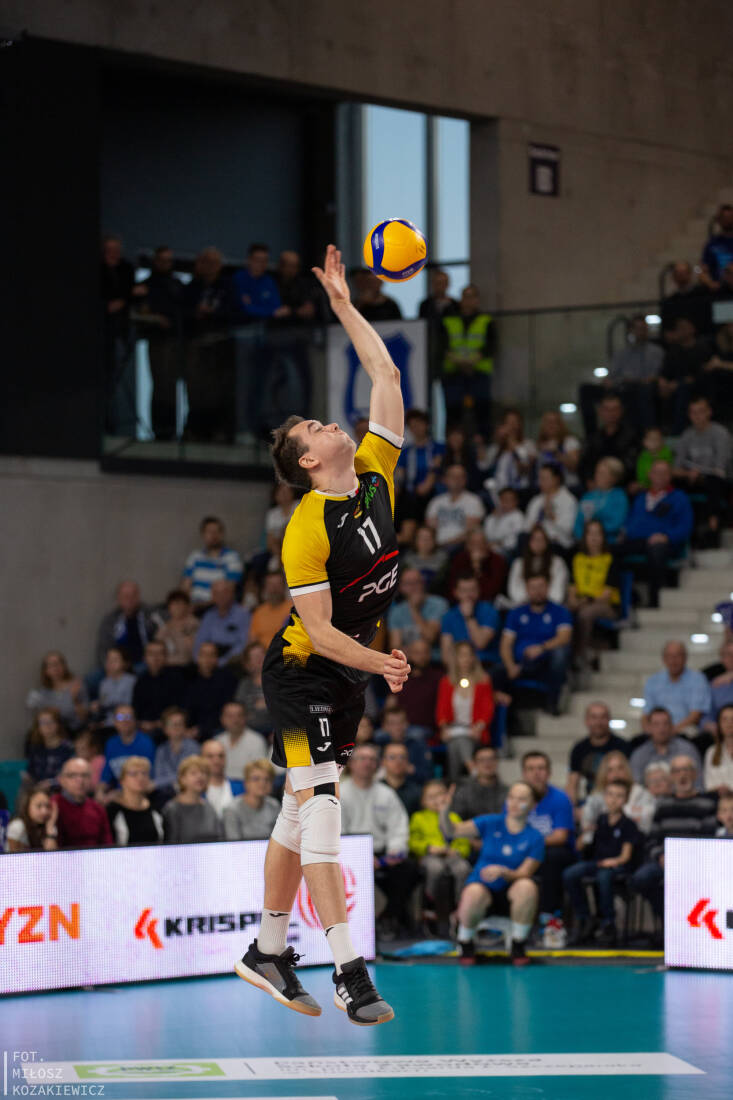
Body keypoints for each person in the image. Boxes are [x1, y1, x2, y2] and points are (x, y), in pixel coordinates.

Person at [235, 247, 408, 1025]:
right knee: (323, 806)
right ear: (308, 459)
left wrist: (342, 303)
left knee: (294, 809)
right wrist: (384, 664)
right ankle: (348, 971)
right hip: (304, 672)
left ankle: (267, 950)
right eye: (313, 425)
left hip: (346, 673)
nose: (328, 420)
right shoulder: (305, 528)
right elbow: (321, 633)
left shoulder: (373, 468)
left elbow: (386, 374)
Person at [440, 780, 544, 966]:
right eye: (511, 797)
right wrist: (444, 812)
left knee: (527, 887)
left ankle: (518, 944)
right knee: (473, 892)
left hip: (511, 896)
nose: (514, 803)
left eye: (522, 799)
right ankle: (466, 942)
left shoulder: (535, 837)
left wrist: (504, 872)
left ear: (533, 805)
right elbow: (452, 830)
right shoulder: (490, 822)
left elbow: (525, 872)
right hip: (482, 892)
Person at [340, 743, 419, 938]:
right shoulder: (340, 792)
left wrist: (394, 852)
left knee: (409, 869)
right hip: (351, 854)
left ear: (377, 765)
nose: (367, 763)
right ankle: (358, 925)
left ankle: (387, 917)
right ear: (352, 764)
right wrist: (361, 857)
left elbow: (399, 827)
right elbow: (338, 833)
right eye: (362, 759)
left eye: (372, 759)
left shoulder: (386, 793)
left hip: (383, 853)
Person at [630, 755, 717, 922]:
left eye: (686, 770)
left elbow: (710, 840)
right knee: (641, 878)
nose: (682, 775)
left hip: (695, 863)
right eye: (677, 771)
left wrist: (687, 859)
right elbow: (652, 839)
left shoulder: (707, 804)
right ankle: (669, 918)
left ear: (695, 774)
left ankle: (682, 920)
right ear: (671, 776)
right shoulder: (663, 805)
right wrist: (660, 856)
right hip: (665, 860)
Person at [563, 778, 640, 946]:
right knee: (570, 874)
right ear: (604, 797)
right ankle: (584, 918)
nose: (614, 799)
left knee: (604, 876)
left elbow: (625, 856)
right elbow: (580, 847)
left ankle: (608, 922)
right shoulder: (599, 820)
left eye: (619, 796)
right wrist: (585, 835)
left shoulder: (628, 824)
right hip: (597, 862)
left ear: (626, 799)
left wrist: (612, 862)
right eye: (610, 794)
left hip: (617, 866)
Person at [495, 574, 573, 715]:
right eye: (533, 587)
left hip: (546, 662)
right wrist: (510, 666)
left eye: (541, 586)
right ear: (527, 589)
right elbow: (505, 644)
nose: (537, 591)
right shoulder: (516, 613)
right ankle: (503, 717)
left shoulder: (560, 611)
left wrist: (541, 648)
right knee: (492, 674)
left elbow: (564, 637)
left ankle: (553, 702)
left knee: (560, 655)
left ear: (548, 588)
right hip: (520, 663)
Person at [619, 460, 694, 607]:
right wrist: (626, 533)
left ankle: (655, 600)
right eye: (656, 472)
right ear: (650, 475)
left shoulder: (679, 498)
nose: (659, 476)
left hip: (665, 543)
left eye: (664, 473)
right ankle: (626, 598)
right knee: (611, 550)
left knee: (656, 550)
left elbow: (685, 527)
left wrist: (666, 536)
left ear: (670, 476)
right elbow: (629, 523)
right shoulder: (641, 498)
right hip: (639, 540)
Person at [182, 246, 237, 443]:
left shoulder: (227, 286)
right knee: (197, 389)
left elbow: (234, 311)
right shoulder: (192, 287)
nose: (210, 267)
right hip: (196, 344)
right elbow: (182, 312)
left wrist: (214, 313)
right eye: (206, 262)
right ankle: (196, 430)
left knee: (220, 389)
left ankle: (219, 431)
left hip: (220, 345)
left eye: (214, 263)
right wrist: (196, 312)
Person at [409, 779, 471, 935]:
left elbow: (464, 841)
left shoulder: (454, 817)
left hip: (452, 856)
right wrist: (428, 848)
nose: (437, 800)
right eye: (431, 797)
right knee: (435, 868)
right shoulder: (418, 818)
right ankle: (429, 907)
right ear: (423, 801)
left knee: (463, 868)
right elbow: (412, 841)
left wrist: (457, 851)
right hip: (430, 856)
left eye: (440, 795)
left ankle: (459, 908)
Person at [521, 752, 575, 928]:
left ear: (549, 773)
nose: (536, 773)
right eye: (531, 769)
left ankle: (550, 916)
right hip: (525, 849)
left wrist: (528, 843)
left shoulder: (560, 798)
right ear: (524, 773)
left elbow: (560, 837)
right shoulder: (516, 798)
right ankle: (500, 917)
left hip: (555, 852)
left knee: (551, 856)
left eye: (541, 768)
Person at [136, 245, 183, 440]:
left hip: (176, 340)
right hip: (157, 340)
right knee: (160, 384)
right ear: (155, 261)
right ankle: (160, 430)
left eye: (168, 260)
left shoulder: (177, 284)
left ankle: (171, 430)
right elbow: (139, 312)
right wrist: (156, 319)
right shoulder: (147, 285)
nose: (165, 264)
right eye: (162, 260)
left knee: (171, 385)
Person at [672, 396, 731, 546]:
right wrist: (689, 473)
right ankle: (678, 524)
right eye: (693, 412)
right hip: (693, 477)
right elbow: (676, 468)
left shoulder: (720, 433)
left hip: (718, 479)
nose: (697, 416)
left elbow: (720, 468)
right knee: (673, 484)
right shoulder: (687, 435)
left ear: (709, 412)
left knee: (714, 483)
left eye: (701, 411)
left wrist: (698, 472)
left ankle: (713, 525)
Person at [436, 642, 494, 782]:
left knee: (457, 743)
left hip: (474, 731)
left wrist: (479, 727)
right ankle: (472, 770)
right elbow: (441, 709)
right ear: (455, 658)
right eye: (462, 655)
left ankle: (453, 782)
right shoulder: (446, 682)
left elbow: (488, 708)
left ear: (474, 658)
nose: (466, 659)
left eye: (469, 655)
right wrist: (443, 728)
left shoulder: (483, 681)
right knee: (457, 741)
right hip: (453, 729)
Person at [567, 520, 621, 669]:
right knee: (564, 611)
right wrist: (572, 600)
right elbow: (572, 587)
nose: (594, 538)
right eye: (590, 533)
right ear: (584, 537)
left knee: (585, 614)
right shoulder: (578, 558)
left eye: (598, 534)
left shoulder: (610, 559)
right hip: (582, 601)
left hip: (605, 605)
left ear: (603, 537)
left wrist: (585, 601)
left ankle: (579, 656)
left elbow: (607, 594)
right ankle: (565, 653)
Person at [441, 284, 495, 427]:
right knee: (453, 411)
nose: (468, 300)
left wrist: (472, 361)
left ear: (477, 300)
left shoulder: (486, 320)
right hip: (454, 373)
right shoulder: (449, 320)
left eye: (472, 297)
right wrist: (460, 362)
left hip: (479, 372)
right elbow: (441, 345)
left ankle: (481, 438)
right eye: (465, 297)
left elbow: (491, 346)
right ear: (461, 299)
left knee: (482, 410)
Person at [579, 751, 660, 839]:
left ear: (627, 770)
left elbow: (645, 823)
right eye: (610, 770)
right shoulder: (596, 798)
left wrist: (613, 811)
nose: (616, 773)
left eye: (620, 768)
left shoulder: (642, 793)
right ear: (604, 774)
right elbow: (587, 828)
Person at [395, 408, 445, 540]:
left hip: (433, 490)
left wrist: (427, 484)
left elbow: (435, 470)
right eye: (412, 426)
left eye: (419, 424)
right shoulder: (406, 452)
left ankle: (406, 537)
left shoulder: (438, 448)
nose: (416, 429)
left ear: (426, 425)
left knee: (413, 500)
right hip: (411, 492)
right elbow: (400, 475)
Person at [566, 702, 630, 806]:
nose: (598, 722)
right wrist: (572, 809)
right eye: (594, 717)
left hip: (621, 801)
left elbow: (630, 779)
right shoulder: (579, 749)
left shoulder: (623, 746)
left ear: (609, 719)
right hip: (592, 800)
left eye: (603, 717)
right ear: (586, 721)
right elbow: (572, 784)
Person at [642, 641, 711, 735]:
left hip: (686, 729)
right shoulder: (653, 681)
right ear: (663, 659)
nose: (673, 660)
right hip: (659, 731)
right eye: (669, 656)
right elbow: (646, 714)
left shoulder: (698, 679)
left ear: (685, 658)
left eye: (678, 656)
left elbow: (695, 715)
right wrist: (649, 730)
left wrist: (670, 732)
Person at [182, 516, 244, 609]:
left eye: (217, 531)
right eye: (210, 532)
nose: (214, 535)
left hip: (215, 607)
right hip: (192, 606)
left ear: (222, 534)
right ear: (203, 535)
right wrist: (185, 606)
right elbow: (185, 587)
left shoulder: (232, 558)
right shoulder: (195, 557)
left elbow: (228, 591)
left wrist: (200, 606)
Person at [578, 394, 639, 488]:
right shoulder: (592, 438)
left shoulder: (633, 437)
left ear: (621, 411)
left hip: (624, 488)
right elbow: (583, 464)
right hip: (596, 488)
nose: (611, 413)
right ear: (600, 411)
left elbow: (635, 463)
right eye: (607, 409)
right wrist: (589, 480)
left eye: (615, 409)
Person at [440, 574, 500, 669]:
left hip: (485, 665)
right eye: (464, 590)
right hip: (459, 667)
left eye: (472, 590)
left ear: (479, 590)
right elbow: (446, 655)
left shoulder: (490, 611)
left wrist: (469, 617)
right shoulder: (449, 616)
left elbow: (480, 643)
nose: (469, 595)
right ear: (455, 592)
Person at [629, 706, 702, 784]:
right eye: (656, 724)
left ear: (672, 726)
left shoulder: (687, 750)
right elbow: (636, 785)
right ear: (649, 727)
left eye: (666, 723)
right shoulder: (639, 755)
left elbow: (698, 782)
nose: (661, 728)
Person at [52, 758, 113, 848]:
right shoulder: (52, 806)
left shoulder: (98, 809)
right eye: (72, 775)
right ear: (61, 780)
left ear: (91, 779)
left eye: (84, 775)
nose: (80, 780)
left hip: (94, 856)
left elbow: (108, 845)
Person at [96, 705, 156, 798]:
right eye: (120, 717)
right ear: (115, 722)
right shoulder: (111, 743)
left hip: (139, 793)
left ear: (135, 721)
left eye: (128, 717)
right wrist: (100, 791)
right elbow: (106, 773)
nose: (125, 721)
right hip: (116, 794)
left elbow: (146, 779)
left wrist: (118, 793)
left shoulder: (146, 743)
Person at [162, 756, 223, 843]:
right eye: (193, 773)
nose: (200, 776)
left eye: (203, 773)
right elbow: (171, 844)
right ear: (182, 779)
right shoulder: (172, 809)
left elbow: (219, 837)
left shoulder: (209, 807)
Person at [387, 567, 448, 655]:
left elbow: (430, 636)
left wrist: (414, 609)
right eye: (408, 583)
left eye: (416, 582)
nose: (413, 587)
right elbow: (395, 647)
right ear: (401, 587)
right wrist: (414, 651)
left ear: (423, 584)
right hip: (408, 658)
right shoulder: (396, 611)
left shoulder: (438, 604)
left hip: (434, 658)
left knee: (421, 647)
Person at [184, 641, 238, 741]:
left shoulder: (227, 679)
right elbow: (187, 710)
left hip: (219, 728)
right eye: (203, 654)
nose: (207, 659)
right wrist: (187, 729)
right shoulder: (189, 679)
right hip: (193, 731)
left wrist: (201, 729)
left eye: (211, 655)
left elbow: (225, 710)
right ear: (198, 657)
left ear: (216, 658)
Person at [95, 580, 153, 670]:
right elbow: (103, 648)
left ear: (138, 597)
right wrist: (109, 666)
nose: (130, 599)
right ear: (118, 598)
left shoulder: (150, 615)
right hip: (117, 665)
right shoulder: (110, 620)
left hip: (145, 662)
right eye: (126, 596)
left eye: (133, 596)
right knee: (91, 677)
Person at [506, 525, 568, 608]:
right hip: (524, 605)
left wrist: (542, 601)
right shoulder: (518, 563)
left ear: (547, 542)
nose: (538, 543)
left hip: (550, 606)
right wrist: (530, 600)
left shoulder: (558, 562)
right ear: (529, 542)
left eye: (541, 539)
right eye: (535, 539)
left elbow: (558, 590)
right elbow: (513, 588)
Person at [107, 757, 165, 846]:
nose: (140, 778)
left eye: (144, 773)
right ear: (122, 780)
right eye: (134, 774)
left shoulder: (156, 808)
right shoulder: (112, 810)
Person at [425, 464, 485, 549]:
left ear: (465, 480)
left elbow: (471, 532)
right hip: (436, 547)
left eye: (460, 476)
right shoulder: (436, 502)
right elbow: (430, 529)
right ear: (445, 479)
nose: (456, 480)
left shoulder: (474, 501)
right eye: (452, 476)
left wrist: (448, 544)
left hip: (461, 547)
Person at [27, 651, 88, 733]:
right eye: (51, 665)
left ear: (64, 666)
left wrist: (74, 699)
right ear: (46, 671)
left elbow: (84, 717)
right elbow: (44, 719)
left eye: (58, 664)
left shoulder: (76, 685)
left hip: (76, 730)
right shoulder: (43, 692)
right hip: (55, 732)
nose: (55, 668)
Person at [132, 641, 186, 734]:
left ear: (166, 657)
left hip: (170, 727)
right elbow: (136, 709)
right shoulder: (140, 681)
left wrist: (161, 723)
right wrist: (141, 723)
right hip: (145, 728)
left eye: (159, 653)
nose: (155, 658)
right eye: (151, 654)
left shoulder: (176, 679)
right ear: (144, 658)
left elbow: (180, 707)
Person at [194, 579, 251, 667]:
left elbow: (243, 644)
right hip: (210, 657)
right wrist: (200, 659)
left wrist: (222, 661)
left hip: (233, 660)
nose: (220, 596)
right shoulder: (209, 616)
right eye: (216, 593)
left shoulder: (243, 614)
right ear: (212, 596)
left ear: (232, 594)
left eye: (224, 592)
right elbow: (199, 641)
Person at [523, 464, 578, 554]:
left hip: (557, 543)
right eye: (540, 478)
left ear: (556, 479)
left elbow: (569, 530)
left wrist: (552, 517)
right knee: (522, 538)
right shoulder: (536, 500)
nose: (540, 482)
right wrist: (534, 526)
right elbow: (526, 527)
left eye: (544, 478)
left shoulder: (568, 500)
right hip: (536, 541)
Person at [480, 409, 536, 496]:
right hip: (498, 493)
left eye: (515, 422)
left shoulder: (528, 444)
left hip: (520, 493)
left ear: (520, 425)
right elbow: (483, 466)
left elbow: (525, 467)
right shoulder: (496, 448)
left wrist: (512, 442)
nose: (512, 426)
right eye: (508, 422)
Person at [573, 458, 628, 543]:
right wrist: (584, 539)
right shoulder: (588, 496)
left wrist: (594, 532)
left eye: (602, 473)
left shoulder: (619, 496)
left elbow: (616, 524)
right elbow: (578, 523)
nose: (597, 476)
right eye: (597, 472)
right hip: (585, 543)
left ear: (613, 477)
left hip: (609, 543)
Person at [223, 759, 281, 840]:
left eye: (267, 779)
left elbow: (280, 839)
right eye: (256, 779)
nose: (262, 783)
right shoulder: (232, 810)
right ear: (246, 783)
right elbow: (233, 843)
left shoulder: (274, 805)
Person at [447, 529, 508, 604]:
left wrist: (477, 566)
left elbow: (492, 592)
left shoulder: (498, 561)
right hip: (460, 602)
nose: (478, 547)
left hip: (488, 603)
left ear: (487, 544)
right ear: (467, 545)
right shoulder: (459, 559)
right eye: (474, 543)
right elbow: (452, 588)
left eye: (481, 543)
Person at [398, 638, 443, 736]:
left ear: (430, 654)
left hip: (427, 729)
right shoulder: (401, 676)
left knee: (414, 734)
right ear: (409, 654)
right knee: (381, 735)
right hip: (400, 727)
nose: (422, 657)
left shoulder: (439, 678)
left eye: (425, 652)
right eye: (417, 653)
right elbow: (391, 703)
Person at [215, 701, 268, 780]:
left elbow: (260, 772)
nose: (235, 720)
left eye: (239, 715)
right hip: (221, 784)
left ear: (246, 717)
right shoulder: (217, 741)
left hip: (247, 784)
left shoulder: (257, 741)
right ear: (222, 719)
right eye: (230, 716)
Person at [153, 707, 200, 796]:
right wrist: (172, 780)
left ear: (185, 727)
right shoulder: (161, 750)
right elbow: (158, 776)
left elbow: (188, 775)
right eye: (173, 724)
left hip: (189, 793)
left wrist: (162, 782)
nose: (176, 727)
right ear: (165, 729)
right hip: (165, 795)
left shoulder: (193, 747)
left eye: (180, 724)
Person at [24, 707, 74, 788]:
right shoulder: (35, 748)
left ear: (58, 724)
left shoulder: (67, 748)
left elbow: (72, 774)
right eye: (43, 722)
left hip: (61, 789)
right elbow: (30, 772)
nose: (47, 726)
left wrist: (52, 783)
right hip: (38, 789)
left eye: (51, 722)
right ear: (38, 727)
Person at [660, 260, 712, 336]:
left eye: (683, 272)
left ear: (689, 274)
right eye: (678, 273)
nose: (681, 275)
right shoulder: (670, 302)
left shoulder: (702, 295)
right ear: (674, 276)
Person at [534, 410, 581, 492]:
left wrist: (556, 453)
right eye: (548, 422)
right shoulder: (538, 445)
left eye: (554, 422)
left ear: (560, 425)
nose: (551, 425)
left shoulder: (570, 441)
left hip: (568, 487)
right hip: (544, 490)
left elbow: (574, 466)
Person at [235, 641, 274, 737]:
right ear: (247, 664)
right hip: (249, 730)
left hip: (275, 729)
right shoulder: (244, 684)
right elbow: (240, 710)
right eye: (255, 656)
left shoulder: (279, 681)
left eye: (262, 654)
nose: (259, 658)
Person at [92, 646, 136, 728]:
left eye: (115, 660)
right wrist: (97, 707)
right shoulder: (104, 683)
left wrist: (104, 704)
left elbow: (127, 704)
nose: (110, 663)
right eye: (108, 659)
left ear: (124, 663)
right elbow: (103, 705)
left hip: (124, 719)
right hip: (107, 722)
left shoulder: (131, 681)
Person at [154, 589, 199, 668]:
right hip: (167, 666)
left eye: (180, 604)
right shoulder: (164, 627)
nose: (177, 607)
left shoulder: (194, 624)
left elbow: (196, 648)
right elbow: (157, 646)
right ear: (169, 607)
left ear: (187, 606)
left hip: (188, 665)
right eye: (174, 604)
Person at [6, 787, 59, 853]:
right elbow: (17, 858)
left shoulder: (49, 825)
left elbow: (52, 855)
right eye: (39, 806)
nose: (44, 811)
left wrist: (50, 827)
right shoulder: (18, 826)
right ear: (27, 806)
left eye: (47, 806)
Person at [248, 573, 292, 650]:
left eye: (278, 584)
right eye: (271, 584)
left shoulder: (293, 609)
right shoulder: (259, 612)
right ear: (265, 588)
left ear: (284, 587)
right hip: (263, 655)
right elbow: (252, 641)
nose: (274, 588)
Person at [200, 738, 244, 816]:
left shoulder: (242, 787)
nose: (216, 761)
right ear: (201, 759)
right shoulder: (195, 790)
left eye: (221, 756)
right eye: (210, 756)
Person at [379, 741, 424, 816]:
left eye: (402, 757)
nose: (398, 761)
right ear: (383, 762)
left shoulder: (418, 792)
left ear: (408, 761)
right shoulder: (374, 789)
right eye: (392, 757)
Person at [401, 524, 449, 589]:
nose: (425, 542)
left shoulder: (443, 558)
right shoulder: (407, 559)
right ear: (415, 540)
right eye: (421, 538)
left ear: (434, 540)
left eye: (429, 538)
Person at [483, 486, 524, 557]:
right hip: (489, 547)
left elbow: (515, 541)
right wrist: (496, 519)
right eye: (504, 499)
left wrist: (499, 543)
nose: (506, 502)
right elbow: (486, 534)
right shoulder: (492, 516)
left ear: (516, 501)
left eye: (510, 499)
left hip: (507, 550)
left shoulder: (518, 517)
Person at [265, 483, 298, 566]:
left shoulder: (301, 506)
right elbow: (270, 540)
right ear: (275, 495)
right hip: (279, 550)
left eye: (287, 491)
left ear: (293, 493)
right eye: (281, 492)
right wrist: (280, 555)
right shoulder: (272, 514)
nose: (284, 495)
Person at [703, 704, 733, 794]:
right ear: (718, 724)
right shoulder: (711, 751)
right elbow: (708, 784)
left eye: (732, 719)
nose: (729, 724)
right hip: (717, 798)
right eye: (724, 719)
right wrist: (720, 789)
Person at [701, 203, 733, 286]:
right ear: (719, 220)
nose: (727, 220)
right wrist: (710, 283)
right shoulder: (712, 244)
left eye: (729, 217)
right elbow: (703, 269)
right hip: (718, 288)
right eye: (724, 218)